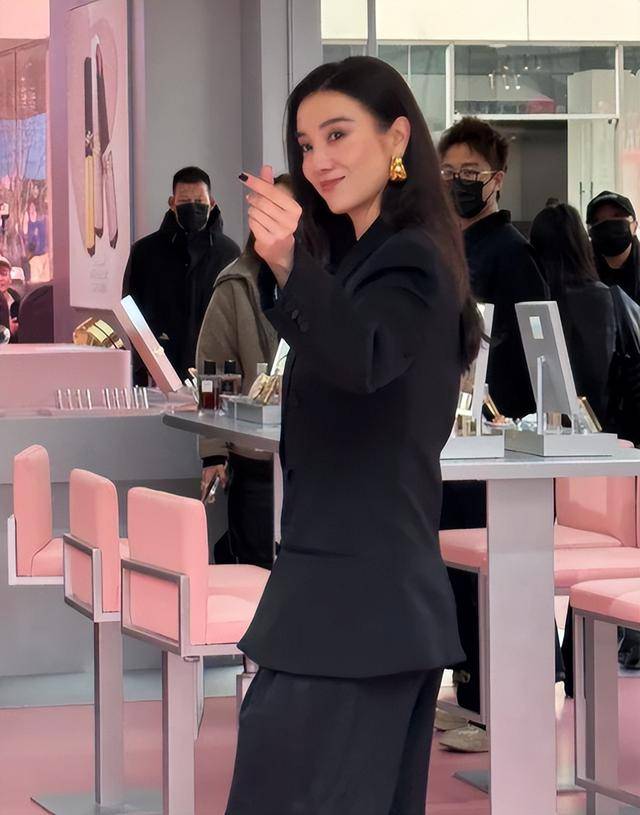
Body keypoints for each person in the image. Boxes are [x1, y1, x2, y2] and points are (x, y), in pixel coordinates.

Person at [224, 56, 482, 815]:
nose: (318, 160)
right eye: (306, 145)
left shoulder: (410, 259)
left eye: (337, 135)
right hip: (345, 601)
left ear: (397, 137)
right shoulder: (362, 261)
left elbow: (363, 358)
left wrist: (288, 265)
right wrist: (292, 266)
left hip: (359, 603)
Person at [435, 118, 549, 752]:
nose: (457, 183)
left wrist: (514, 420)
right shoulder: (448, 244)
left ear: (497, 180)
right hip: (454, 428)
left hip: (497, 433)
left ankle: (504, 707)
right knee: (456, 564)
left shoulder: (511, 252)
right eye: (448, 173)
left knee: (490, 569)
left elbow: (534, 345)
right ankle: (474, 695)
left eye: (470, 174)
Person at [197, 173, 293, 569]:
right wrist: (213, 453)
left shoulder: (329, 280)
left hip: (321, 463)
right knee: (258, 574)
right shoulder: (238, 283)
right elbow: (212, 366)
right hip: (257, 462)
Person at [122, 166, 240, 382]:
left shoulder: (229, 253)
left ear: (212, 203)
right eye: (184, 201)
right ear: (172, 203)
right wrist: (146, 362)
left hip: (214, 369)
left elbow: (236, 315)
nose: (192, 207)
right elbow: (132, 312)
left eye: (199, 201)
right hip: (158, 369)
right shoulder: (145, 252)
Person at [530, 202, 616, 425]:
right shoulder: (597, 297)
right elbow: (599, 373)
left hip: (539, 419)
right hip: (590, 422)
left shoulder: (534, 298)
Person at [587, 190, 640, 304]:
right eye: (597, 220)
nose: (608, 224)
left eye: (617, 216)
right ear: (590, 232)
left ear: (634, 226)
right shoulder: (582, 273)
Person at [0, 255, 20, 341]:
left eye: (4, 274)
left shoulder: (18, 300)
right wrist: (8, 330)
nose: (0, 278)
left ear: (10, 279)